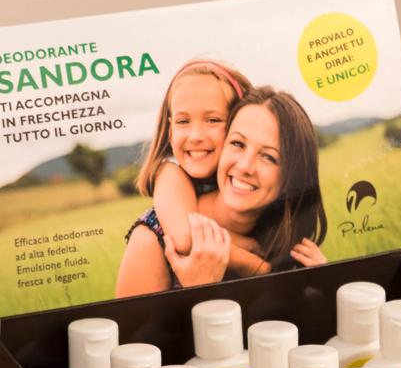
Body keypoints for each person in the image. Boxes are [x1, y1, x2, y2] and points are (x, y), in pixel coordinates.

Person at [116, 85, 328, 296]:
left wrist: (323, 290)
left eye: (268, 157)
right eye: (237, 143)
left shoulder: (284, 248)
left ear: (292, 177)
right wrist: (199, 291)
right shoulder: (155, 239)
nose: (245, 166)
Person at [130, 60, 270, 278]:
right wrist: (254, 264)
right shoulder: (170, 171)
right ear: (170, 131)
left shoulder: (248, 180)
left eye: (212, 120)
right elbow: (186, 237)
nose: (195, 136)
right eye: (183, 121)